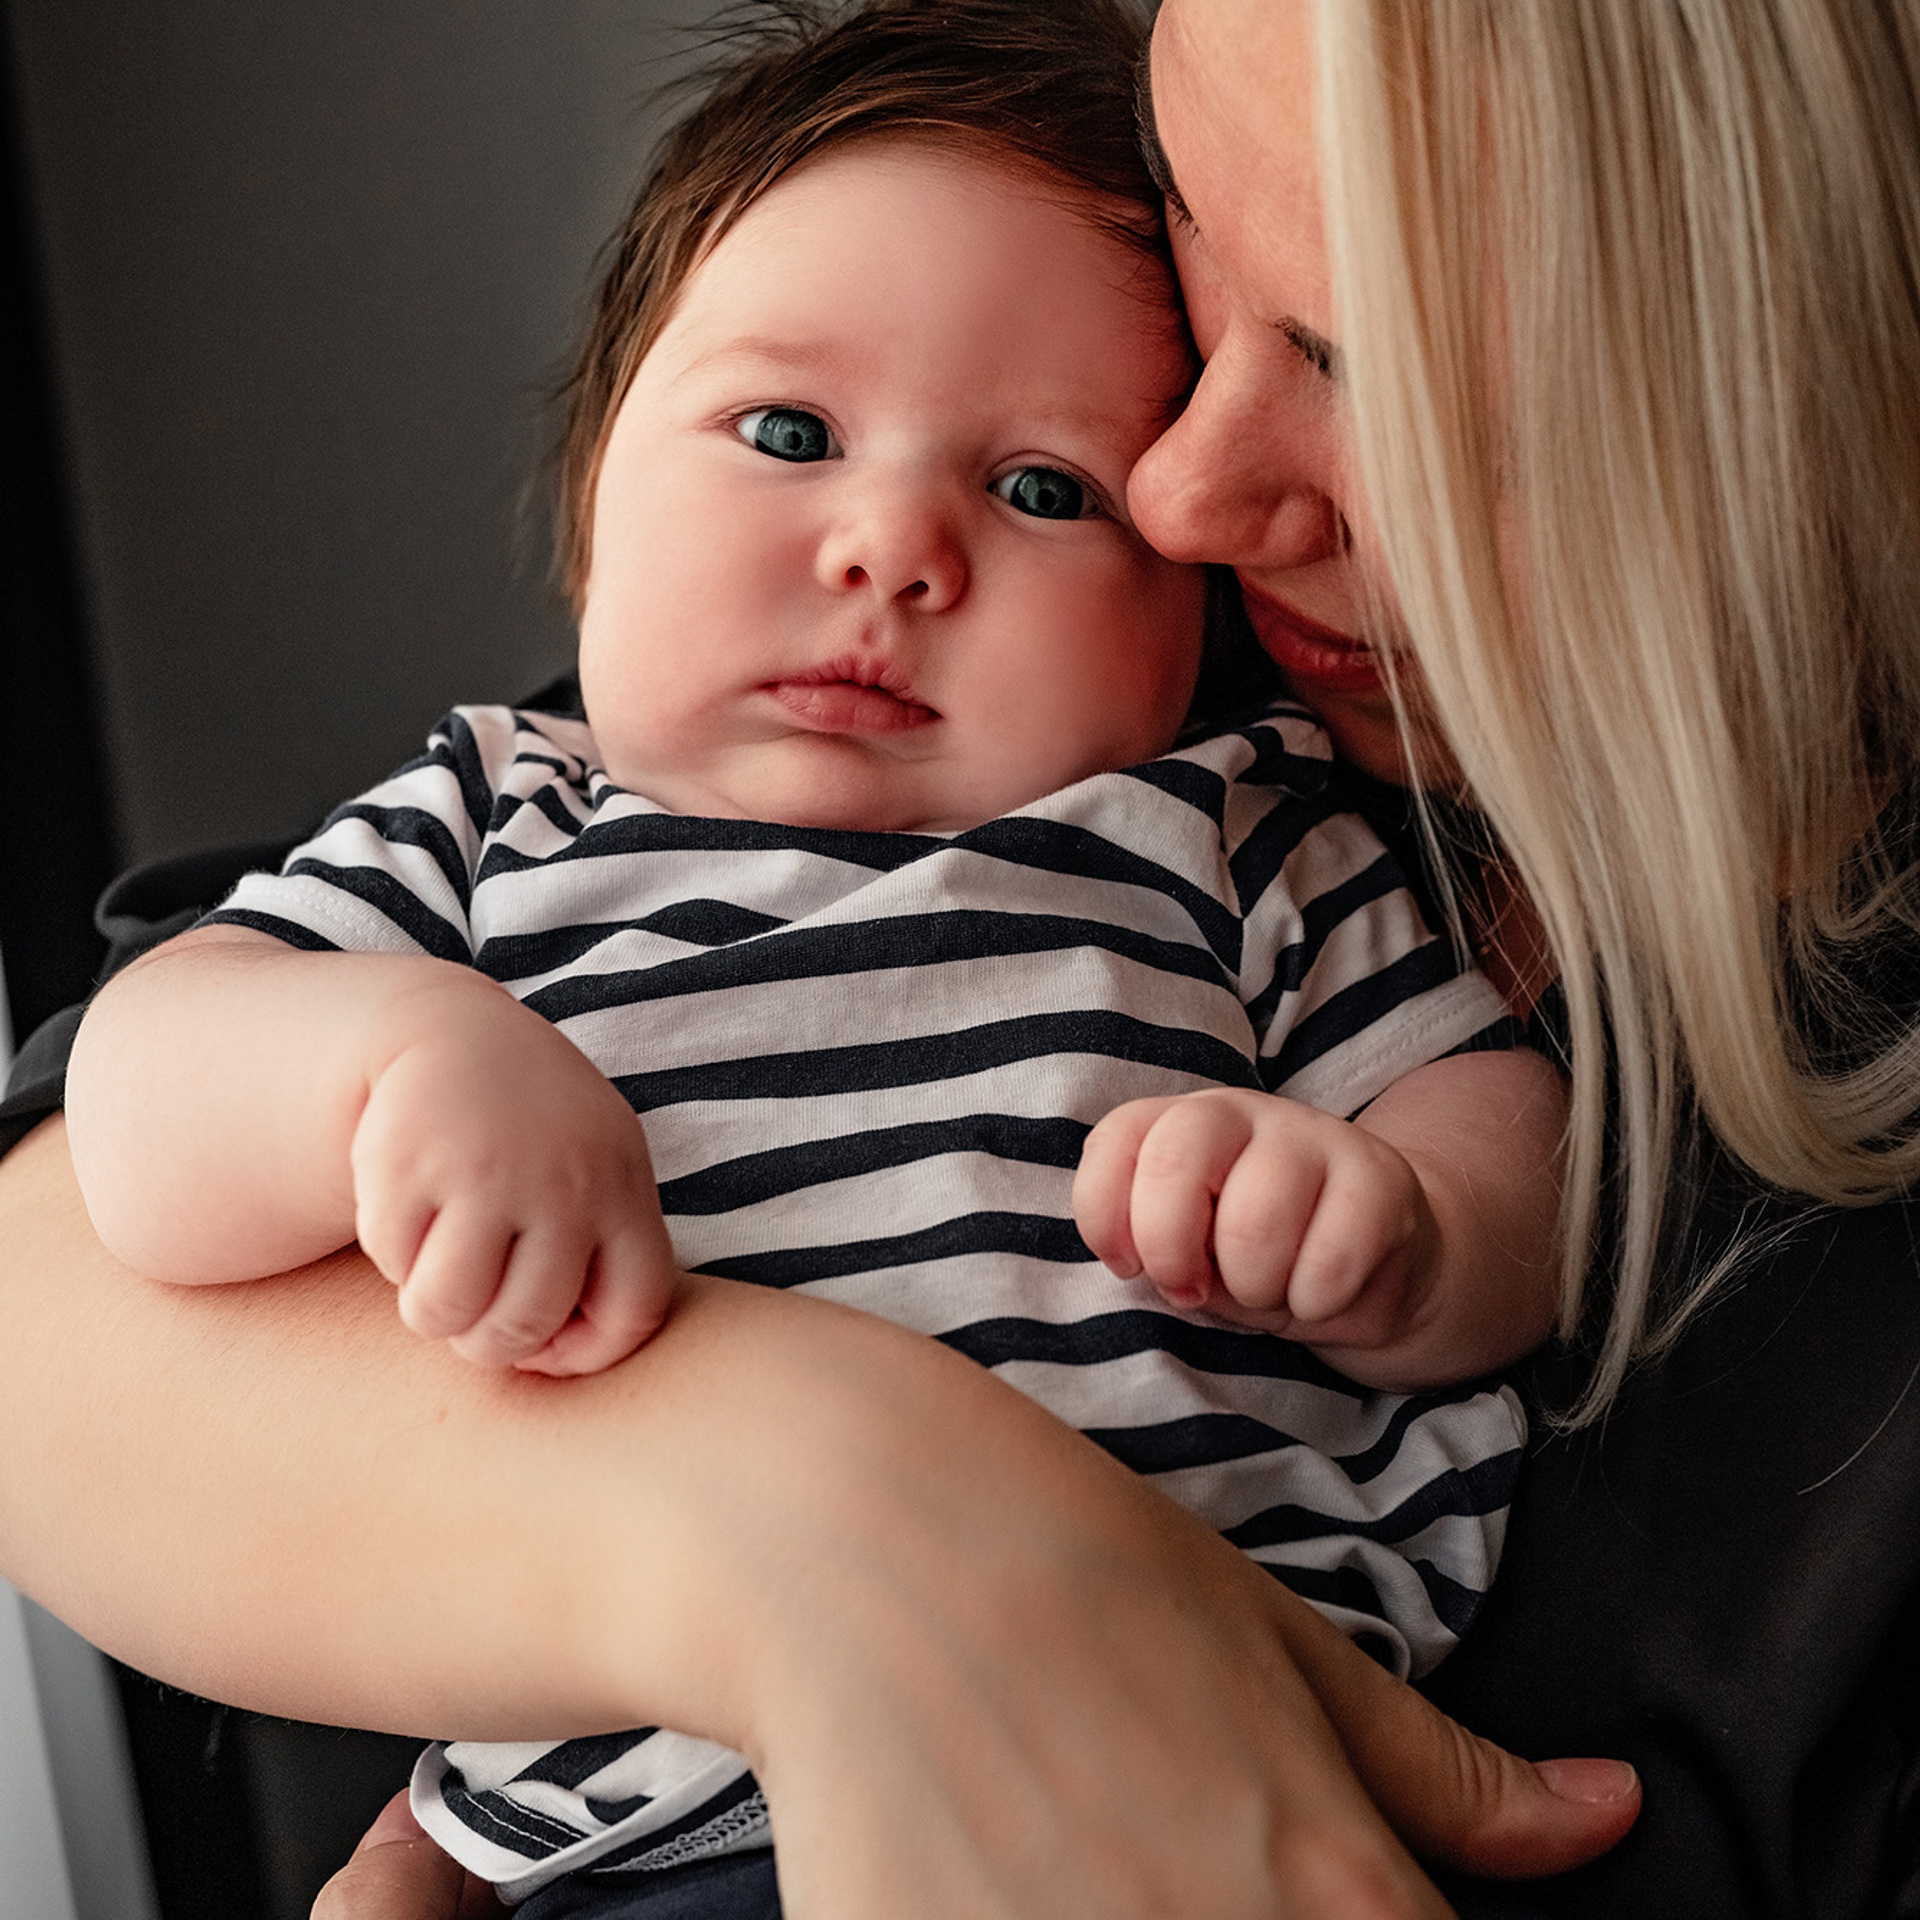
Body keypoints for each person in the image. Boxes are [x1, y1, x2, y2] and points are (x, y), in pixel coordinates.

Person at [7, 0, 1916, 1910]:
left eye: (1038, 487)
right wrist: (384, 1068)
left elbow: (1501, 1158)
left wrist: (1399, 1226)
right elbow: (89, 1188)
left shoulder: (1209, 811)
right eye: (1200, 239)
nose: (1176, 494)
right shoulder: (550, 800)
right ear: (598, 482)